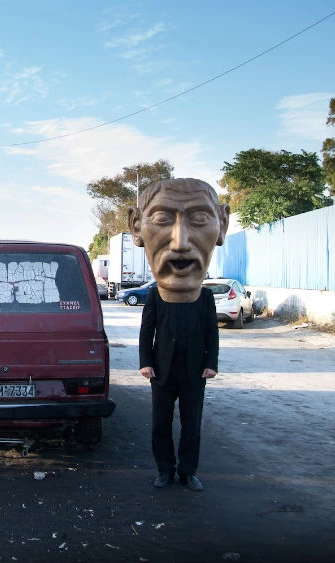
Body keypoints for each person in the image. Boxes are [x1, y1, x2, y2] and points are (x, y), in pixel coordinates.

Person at [126, 178, 230, 492]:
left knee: (192, 426)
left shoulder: (206, 298)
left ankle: (188, 471)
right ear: (136, 227)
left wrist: (212, 363)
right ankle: (164, 470)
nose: (181, 242)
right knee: (160, 424)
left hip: (194, 371)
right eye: (161, 219)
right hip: (162, 370)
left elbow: (212, 333)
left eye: (200, 220)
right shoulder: (156, 296)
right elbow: (147, 331)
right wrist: (146, 362)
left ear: (222, 225)